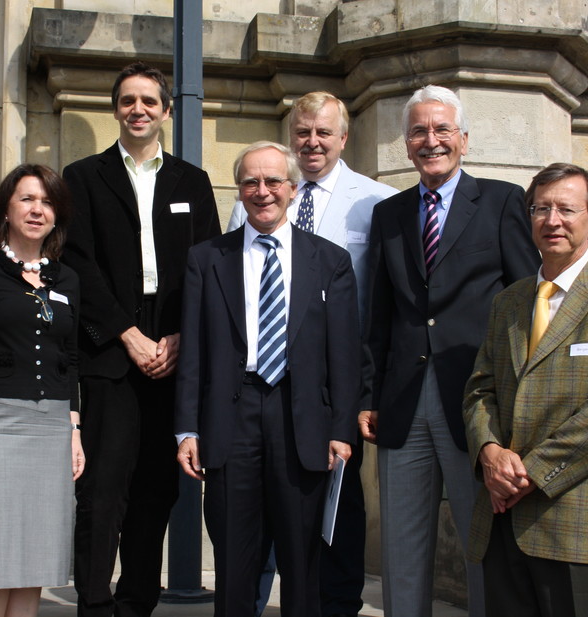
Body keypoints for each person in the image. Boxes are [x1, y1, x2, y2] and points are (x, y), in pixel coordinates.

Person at [358, 85, 541, 617]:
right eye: (419, 131)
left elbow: (527, 301)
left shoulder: (503, 200)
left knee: (482, 540)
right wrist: (368, 394)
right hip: (403, 399)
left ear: (464, 139)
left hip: (477, 401)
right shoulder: (389, 214)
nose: (430, 140)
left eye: (441, 130)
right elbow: (380, 314)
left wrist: (517, 398)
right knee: (402, 544)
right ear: (407, 144)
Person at [463, 163, 588, 617]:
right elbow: (480, 389)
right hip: (503, 521)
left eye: (567, 209)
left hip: (582, 521)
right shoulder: (509, 301)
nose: (552, 220)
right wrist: (490, 453)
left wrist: (529, 473)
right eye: (541, 208)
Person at [228, 91, 397, 617]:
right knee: (258, 513)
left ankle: (337, 607)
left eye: (324, 132)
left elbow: (384, 306)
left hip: (336, 389)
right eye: (303, 131)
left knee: (337, 514)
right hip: (264, 386)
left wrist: (363, 398)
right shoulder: (253, 199)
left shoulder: (376, 202)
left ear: (344, 138)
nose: (313, 141)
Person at [61, 61, 220, 617]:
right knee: (103, 492)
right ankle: (95, 603)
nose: (138, 110)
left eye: (149, 101)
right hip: (109, 349)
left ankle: (136, 605)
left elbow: (209, 267)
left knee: (158, 491)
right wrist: (126, 334)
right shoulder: (82, 178)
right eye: (128, 100)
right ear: (115, 109)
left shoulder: (192, 182)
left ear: (166, 111)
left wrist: (180, 337)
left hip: (174, 350)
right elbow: (77, 264)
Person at [176, 141, 361, 617]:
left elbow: (343, 355)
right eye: (251, 183)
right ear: (239, 191)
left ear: (293, 189)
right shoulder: (206, 258)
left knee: (302, 561)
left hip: (302, 422)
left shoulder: (331, 260)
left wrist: (341, 431)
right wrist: (187, 429)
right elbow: (194, 350)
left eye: (273, 181)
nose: (263, 192)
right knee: (234, 560)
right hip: (230, 419)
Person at [0, 164, 83, 617]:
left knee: (34, 564)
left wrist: (74, 430)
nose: (37, 210)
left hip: (50, 431)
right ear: (6, 207)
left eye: (46, 202)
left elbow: (71, 359)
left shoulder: (66, 279)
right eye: (27, 199)